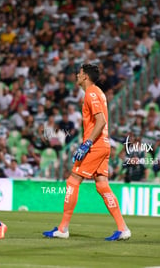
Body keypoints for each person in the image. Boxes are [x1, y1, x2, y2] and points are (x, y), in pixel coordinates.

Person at [43, 64, 131, 241]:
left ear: (85, 77)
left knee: (72, 181)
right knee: (102, 185)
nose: (76, 75)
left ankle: (63, 228)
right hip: (104, 145)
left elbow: (101, 121)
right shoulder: (98, 92)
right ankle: (123, 229)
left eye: (79, 73)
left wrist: (87, 144)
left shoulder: (91, 93)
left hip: (95, 145)